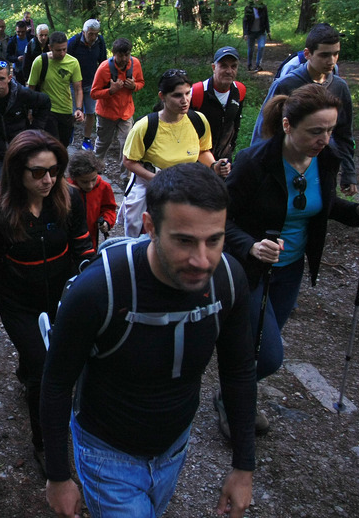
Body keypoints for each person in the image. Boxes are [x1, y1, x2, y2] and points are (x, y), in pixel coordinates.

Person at [41, 162, 256, 518]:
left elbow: (239, 371)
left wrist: (244, 466)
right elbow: (57, 381)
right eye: (184, 241)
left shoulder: (229, 279)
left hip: (174, 446)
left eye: (214, 240)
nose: (202, 260)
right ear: (151, 227)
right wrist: (58, 477)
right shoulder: (100, 289)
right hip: (105, 451)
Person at [220, 83, 359, 434]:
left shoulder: (326, 160)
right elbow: (221, 217)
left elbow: (322, 207)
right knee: (268, 356)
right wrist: (250, 245)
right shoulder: (255, 162)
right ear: (287, 126)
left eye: (330, 130)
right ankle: (234, 401)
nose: (324, 138)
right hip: (250, 269)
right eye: (315, 131)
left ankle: (232, 394)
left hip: (290, 270)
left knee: (259, 347)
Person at [0, 130, 96, 476]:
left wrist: (92, 284)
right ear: (17, 171)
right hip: (20, 306)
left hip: (64, 299)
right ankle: (45, 444)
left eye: (54, 170)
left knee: (68, 363)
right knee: (43, 375)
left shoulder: (70, 197)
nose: (48, 179)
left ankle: (29, 370)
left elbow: (83, 245)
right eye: (38, 172)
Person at [117, 69, 227, 238]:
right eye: (177, 95)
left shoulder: (198, 120)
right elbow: (129, 161)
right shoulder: (145, 126)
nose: (185, 100)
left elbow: (203, 151)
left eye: (188, 93)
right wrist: (157, 180)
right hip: (149, 184)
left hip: (185, 185)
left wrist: (214, 166)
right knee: (138, 228)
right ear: (162, 96)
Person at [250, 23, 357, 196]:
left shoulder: (339, 87)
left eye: (335, 54)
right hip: (285, 166)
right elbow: (264, 130)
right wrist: (254, 170)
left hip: (324, 168)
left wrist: (349, 172)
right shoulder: (286, 84)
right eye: (324, 55)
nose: (331, 61)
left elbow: (344, 134)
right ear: (307, 54)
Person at [89, 37, 143, 177]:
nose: (124, 58)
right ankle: (95, 171)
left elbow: (141, 82)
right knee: (103, 143)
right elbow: (94, 93)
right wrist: (110, 91)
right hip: (106, 114)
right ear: (113, 54)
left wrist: (134, 86)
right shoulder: (104, 68)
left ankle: (126, 177)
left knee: (127, 144)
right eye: (120, 55)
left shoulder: (135, 64)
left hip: (126, 113)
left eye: (127, 54)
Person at [27, 31, 83, 147]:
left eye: (64, 49)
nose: (62, 53)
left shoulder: (73, 62)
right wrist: (29, 111)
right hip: (47, 110)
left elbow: (78, 89)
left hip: (66, 110)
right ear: (50, 48)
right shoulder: (40, 61)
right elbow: (30, 88)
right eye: (58, 50)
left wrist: (78, 109)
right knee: (52, 145)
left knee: (63, 145)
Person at [191, 46, 247, 163]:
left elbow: (236, 122)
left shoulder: (239, 91)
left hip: (224, 157)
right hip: (198, 158)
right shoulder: (197, 92)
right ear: (214, 67)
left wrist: (231, 148)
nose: (229, 71)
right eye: (224, 66)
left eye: (233, 66)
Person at [67, 19, 107, 151]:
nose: (93, 37)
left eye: (96, 34)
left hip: (92, 82)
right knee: (73, 112)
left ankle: (87, 138)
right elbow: (65, 61)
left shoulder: (100, 42)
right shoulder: (74, 42)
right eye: (91, 34)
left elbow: (103, 62)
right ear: (84, 32)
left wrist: (104, 81)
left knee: (91, 112)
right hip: (74, 83)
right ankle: (69, 133)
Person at [67, 151, 116, 252]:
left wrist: (106, 221)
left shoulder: (103, 187)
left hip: (91, 239)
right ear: (74, 177)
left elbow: (109, 208)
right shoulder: (67, 188)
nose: (90, 185)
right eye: (84, 182)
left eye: (93, 179)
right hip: (68, 239)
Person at [242, 0, 270, 71]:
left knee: (261, 47)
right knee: (251, 49)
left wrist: (268, 30)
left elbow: (266, 19)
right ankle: (249, 64)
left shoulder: (263, 8)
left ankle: (258, 65)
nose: (257, 0)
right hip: (251, 32)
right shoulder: (249, 8)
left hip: (261, 32)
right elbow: (245, 21)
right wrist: (245, 33)